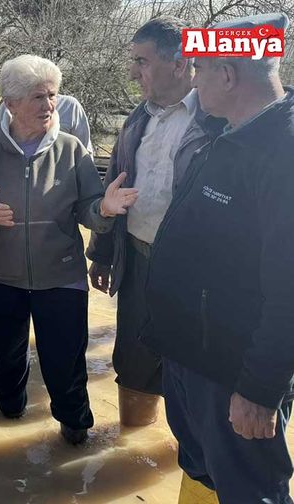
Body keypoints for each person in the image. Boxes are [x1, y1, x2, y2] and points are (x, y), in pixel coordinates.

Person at [142, 13, 294, 504]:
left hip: (234, 377)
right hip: (194, 360)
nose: (192, 77)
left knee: (251, 492)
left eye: (199, 67)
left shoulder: (282, 152)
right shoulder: (227, 132)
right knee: (206, 476)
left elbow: (289, 290)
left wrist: (260, 388)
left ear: (227, 74)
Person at [0, 55, 137, 444]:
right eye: (38, 97)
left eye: (52, 95)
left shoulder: (72, 151)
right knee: (7, 362)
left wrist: (104, 209)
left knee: (66, 362)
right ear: (11, 103)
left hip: (61, 277)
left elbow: (90, 211)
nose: (49, 105)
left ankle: (75, 426)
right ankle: (9, 407)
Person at [85, 16, 223, 427]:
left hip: (193, 274)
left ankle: (185, 459)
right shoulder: (135, 120)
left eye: (142, 61)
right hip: (138, 261)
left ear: (180, 63)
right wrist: (103, 253)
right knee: (133, 359)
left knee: (190, 369)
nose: (133, 71)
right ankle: (134, 455)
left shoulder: (215, 123)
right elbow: (115, 188)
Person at [0, 94, 94, 153]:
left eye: (51, 95)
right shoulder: (7, 108)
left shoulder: (70, 106)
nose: (47, 106)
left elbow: (85, 153)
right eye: (38, 97)